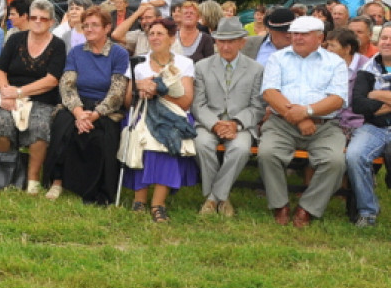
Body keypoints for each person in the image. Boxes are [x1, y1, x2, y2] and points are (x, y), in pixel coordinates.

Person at [0, 0, 66, 195]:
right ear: (28, 19)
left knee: (40, 127)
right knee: (0, 122)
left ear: (51, 22)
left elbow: (51, 80)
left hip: (42, 98)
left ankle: (32, 180)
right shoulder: (15, 39)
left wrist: (19, 92)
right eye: (34, 17)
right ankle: (4, 175)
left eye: (43, 18)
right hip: (9, 95)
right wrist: (5, 91)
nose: (38, 21)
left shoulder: (58, 45)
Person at [258, 15, 348, 227]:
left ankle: (307, 208)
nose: (297, 38)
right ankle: (280, 205)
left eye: (304, 34)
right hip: (282, 123)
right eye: (295, 34)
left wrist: (307, 112)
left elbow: (337, 99)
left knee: (335, 162)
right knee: (267, 153)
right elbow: (270, 93)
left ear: (319, 38)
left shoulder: (335, 63)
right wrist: (300, 120)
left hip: (324, 126)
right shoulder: (277, 58)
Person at [43, 6, 130, 205]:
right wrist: (79, 113)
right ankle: (57, 181)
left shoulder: (119, 54)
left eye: (95, 25)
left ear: (107, 28)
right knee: (63, 125)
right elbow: (67, 85)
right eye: (86, 25)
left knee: (101, 134)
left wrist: (95, 114)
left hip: (104, 107)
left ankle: (94, 188)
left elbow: (117, 92)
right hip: (78, 104)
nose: (89, 29)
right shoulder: (76, 52)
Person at [124, 18, 199, 222]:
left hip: (174, 113)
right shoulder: (138, 63)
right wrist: (139, 87)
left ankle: (158, 203)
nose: (154, 37)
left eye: (160, 33)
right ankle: (139, 199)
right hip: (144, 111)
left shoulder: (184, 63)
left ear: (171, 38)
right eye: (151, 33)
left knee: (167, 137)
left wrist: (158, 90)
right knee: (141, 135)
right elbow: (127, 100)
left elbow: (185, 101)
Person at [192, 17, 265, 218]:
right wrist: (215, 124)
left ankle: (213, 199)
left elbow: (257, 106)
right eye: (221, 41)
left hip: (240, 124)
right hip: (209, 122)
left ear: (242, 42)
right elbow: (198, 104)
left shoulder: (256, 69)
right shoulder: (202, 67)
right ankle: (222, 198)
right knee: (201, 144)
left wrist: (236, 123)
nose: (226, 46)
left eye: (231, 41)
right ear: (215, 41)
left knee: (241, 149)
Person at [345, 25, 391, 227]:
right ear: (377, 41)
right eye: (384, 38)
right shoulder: (367, 69)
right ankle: (367, 211)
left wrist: (375, 94)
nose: (387, 42)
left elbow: (367, 99)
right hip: (375, 127)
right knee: (354, 155)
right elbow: (359, 104)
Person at [325, 27, 367, 140]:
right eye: (327, 45)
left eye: (332, 46)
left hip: (360, 125)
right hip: (332, 122)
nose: (328, 50)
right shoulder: (327, 65)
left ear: (348, 48)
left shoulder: (367, 68)